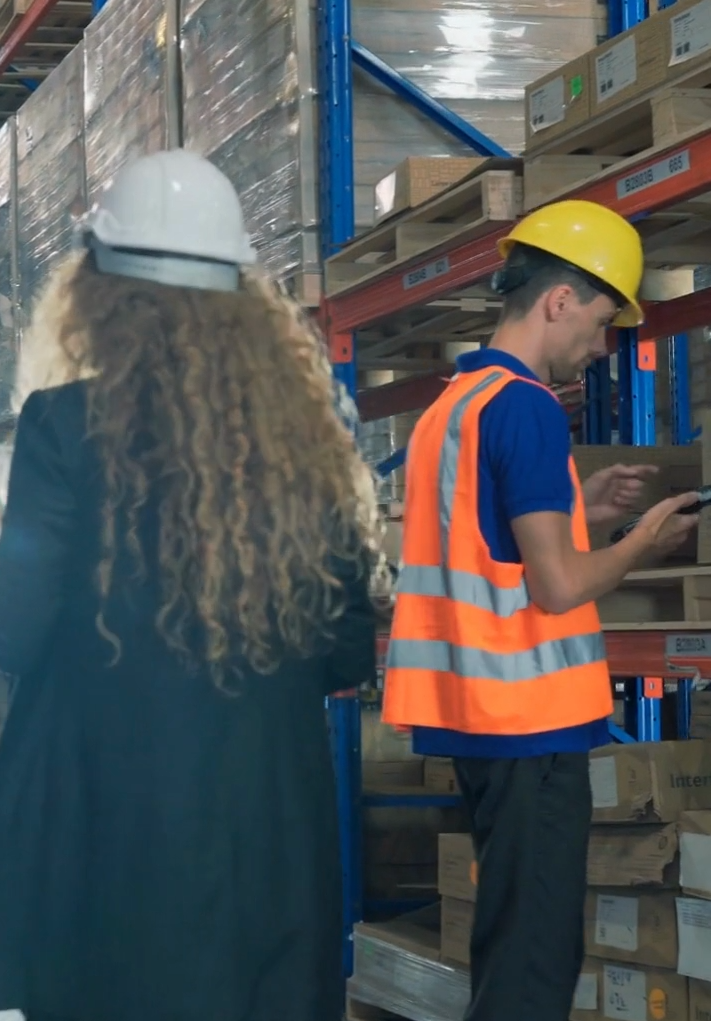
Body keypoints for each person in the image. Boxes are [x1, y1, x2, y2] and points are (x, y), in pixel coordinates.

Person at [0, 149, 389, 1021]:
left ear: (101, 293)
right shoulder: (309, 443)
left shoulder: (61, 427)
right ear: (244, 299)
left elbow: (10, 635)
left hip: (108, 843)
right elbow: (346, 651)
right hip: (267, 843)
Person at [383, 200, 698, 1021]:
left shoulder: (455, 404)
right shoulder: (523, 406)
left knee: (511, 940)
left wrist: (576, 505)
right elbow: (555, 586)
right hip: (529, 725)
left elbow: (483, 537)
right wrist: (643, 541)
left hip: (476, 719)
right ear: (559, 299)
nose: (599, 349)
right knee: (533, 962)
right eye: (599, 322)